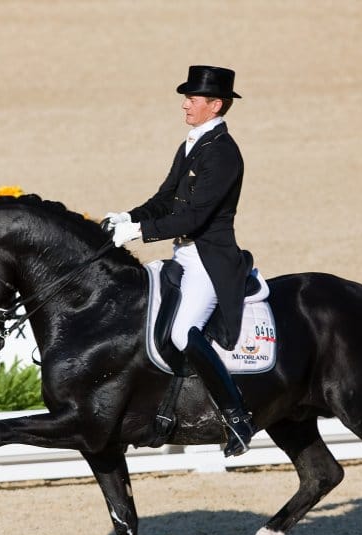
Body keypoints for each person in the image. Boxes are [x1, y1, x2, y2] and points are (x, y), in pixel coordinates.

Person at [103, 65, 255, 457]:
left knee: (182, 332)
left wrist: (139, 232)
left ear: (215, 105)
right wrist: (129, 217)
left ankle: (236, 417)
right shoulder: (192, 142)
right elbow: (165, 198)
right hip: (182, 255)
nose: (185, 103)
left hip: (209, 259)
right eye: (186, 97)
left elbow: (193, 218)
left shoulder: (222, 152)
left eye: (193, 98)